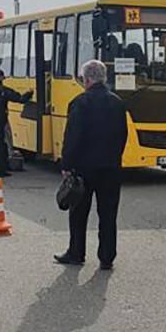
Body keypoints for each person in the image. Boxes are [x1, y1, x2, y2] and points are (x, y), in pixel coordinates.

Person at [55, 60, 129, 268]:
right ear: (104, 78)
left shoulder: (80, 102)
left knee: (78, 213)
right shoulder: (118, 102)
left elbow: (73, 137)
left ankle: (76, 253)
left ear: (86, 79)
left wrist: (67, 165)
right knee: (108, 214)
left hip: (84, 168)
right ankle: (107, 257)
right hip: (111, 168)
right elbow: (123, 135)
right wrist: (115, 157)